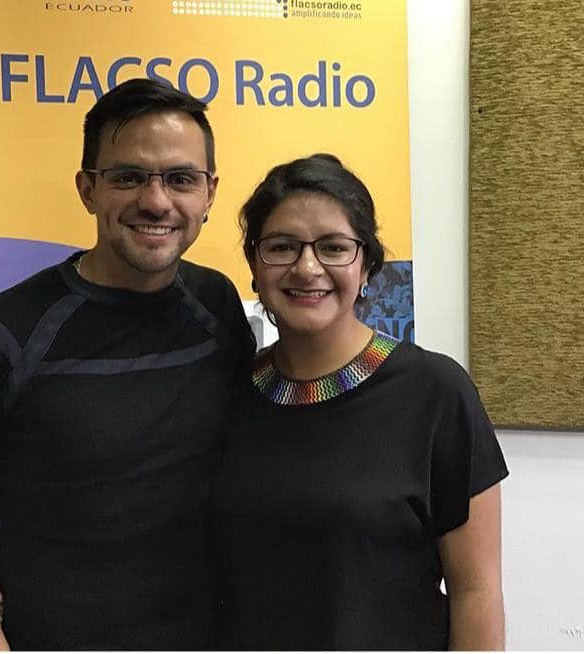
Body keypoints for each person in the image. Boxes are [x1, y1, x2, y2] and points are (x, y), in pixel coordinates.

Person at [0, 78, 256, 650]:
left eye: (180, 178)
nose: (156, 201)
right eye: (128, 177)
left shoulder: (216, 305)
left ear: (209, 192)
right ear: (88, 189)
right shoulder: (2, 336)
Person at [212, 153, 508, 650]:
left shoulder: (436, 393)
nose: (308, 268)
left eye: (333, 247)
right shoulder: (227, 392)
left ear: (367, 265)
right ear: (254, 266)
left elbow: (476, 592)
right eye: (282, 247)